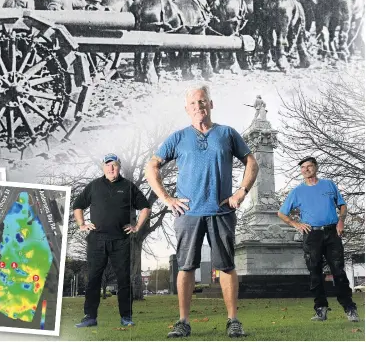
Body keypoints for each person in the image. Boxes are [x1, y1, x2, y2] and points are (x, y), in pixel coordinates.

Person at [145, 85, 259, 338]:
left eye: (203, 101)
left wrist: (241, 192)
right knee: (186, 267)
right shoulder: (178, 138)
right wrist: (166, 198)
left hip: (221, 211)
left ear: (211, 104)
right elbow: (152, 166)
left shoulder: (227, 133)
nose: (199, 107)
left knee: (227, 266)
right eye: (194, 103)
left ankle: (233, 321)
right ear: (187, 109)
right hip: (188, 213)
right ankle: (183, 322)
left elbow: (251, 162)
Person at [73, 153, 151, 328]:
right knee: (93, 279)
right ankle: (90, 317)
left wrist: (137, 226)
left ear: (119, 166)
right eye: (107, 165)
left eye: (114, 165)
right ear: (103, 167)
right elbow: (77, 205)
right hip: (96, 241)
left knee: (124, 279)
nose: (111, 168)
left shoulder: (128, 187)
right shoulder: (93, 186)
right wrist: (82, 224)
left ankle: (126, 317)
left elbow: (145, 207)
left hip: (120, 241)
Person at [277, 156, 359, 323]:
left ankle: (350, 308)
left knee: (339, 271)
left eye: (309, 166)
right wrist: (296, 224)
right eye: (303, 167)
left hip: (332, 233)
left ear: (316, 167)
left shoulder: (329, 185)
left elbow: (342, 205)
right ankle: (320, 309)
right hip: (312, 235)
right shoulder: (297, 191)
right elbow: (281, 213)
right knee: (315, 272)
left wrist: (341, 221)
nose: (306, 169)